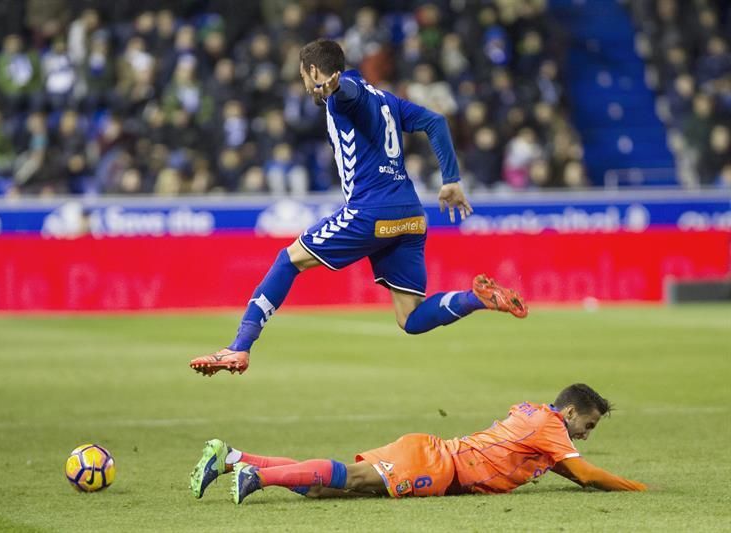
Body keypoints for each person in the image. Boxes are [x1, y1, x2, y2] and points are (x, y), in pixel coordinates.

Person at [189, 39, 527, 376]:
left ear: (313, 70)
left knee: (288, 260)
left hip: (371, 211)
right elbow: (435, 121)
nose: (306, 88)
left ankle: (239, 347)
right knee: (410, 318)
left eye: (305, 78)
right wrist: (451, 179)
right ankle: (476, 297)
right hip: (409, 216)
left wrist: (335, 89)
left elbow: (349, 93)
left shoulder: (345, 92)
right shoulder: (387, 99)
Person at [190, 383, 647, 504]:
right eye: (587, 424)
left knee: (325, 488)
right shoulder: (552, 429)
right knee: (348, 478)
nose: (587, 434)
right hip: (438, 466)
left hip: (430, 451)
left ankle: (233, 458)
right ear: (568, 413)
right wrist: (638, 489)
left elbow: (572, 471)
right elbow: (585, 473)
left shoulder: (535, 416)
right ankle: (258, 476)